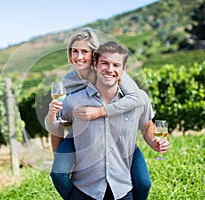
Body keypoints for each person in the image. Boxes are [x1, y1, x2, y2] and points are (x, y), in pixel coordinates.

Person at [48, 41, 169, 199]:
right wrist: (62, 156)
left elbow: (147, 127)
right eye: (104, 63)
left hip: (123, 189)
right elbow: (55, 126)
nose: (110, 70)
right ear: (95, 65)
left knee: (144, 183)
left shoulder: (139, 100)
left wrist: (154, 140)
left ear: (123, 70)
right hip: (85, 190)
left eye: (116, 65)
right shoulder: (73, 101)